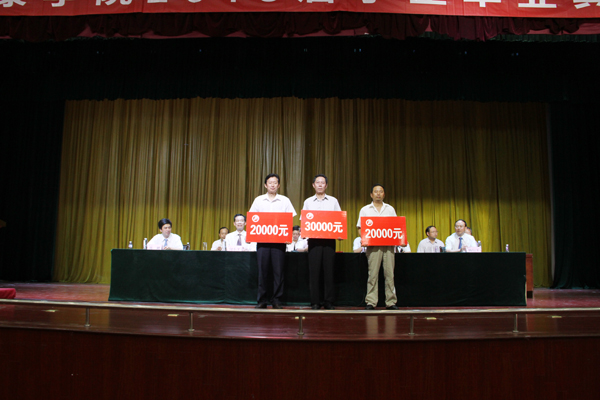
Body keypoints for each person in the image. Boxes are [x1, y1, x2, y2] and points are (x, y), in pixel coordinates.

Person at [248, 173, 297, 309]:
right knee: (262, 272)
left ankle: (276, 300)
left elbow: (290, 219)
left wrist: (287, 236)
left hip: (279, 242)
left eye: (275, 183)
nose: (273, 185)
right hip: (262, 241)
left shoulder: (285, 200)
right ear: (265, 185)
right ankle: (262, 300)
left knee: (278, 272)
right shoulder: (258, 200)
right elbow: (253, 219)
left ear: (279, 185)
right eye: (270, 182)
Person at [302, 174, 342, 310]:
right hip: (314, 242)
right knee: (314, 272)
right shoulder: (308, 201)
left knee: (329, 272)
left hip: (329, 241)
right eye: (317, 182)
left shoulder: (333, 201)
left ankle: (328, 301)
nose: (320, 185)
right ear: (313, 185)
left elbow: (339, 219)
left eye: (322, 182)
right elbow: (304, 220)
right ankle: (315, 301)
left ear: (326, 185)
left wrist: (340, 233)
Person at [357, 184, 399, 310]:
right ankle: (371, 301)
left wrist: (400, 240)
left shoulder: (390, 209)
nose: (378, 193)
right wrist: (364, 239)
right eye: (376, 191)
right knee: (373, 274)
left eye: (381, 191)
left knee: (389, 274)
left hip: (389, 246)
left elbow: (396, 226)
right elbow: (360, 228)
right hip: (373, 246)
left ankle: (391, 302)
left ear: (384, 194)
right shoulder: (365, 209)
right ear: (371, 194)